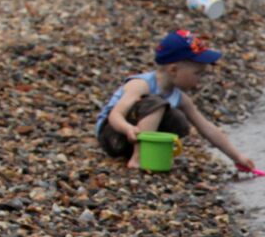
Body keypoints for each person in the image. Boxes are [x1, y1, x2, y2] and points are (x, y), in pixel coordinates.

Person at [94, 30, 255, 172]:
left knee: (179, 120)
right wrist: (128, 129)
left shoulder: (179, 97)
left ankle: (149, 153)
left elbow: (207, 128)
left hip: (137, 137)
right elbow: (115, 115)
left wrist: (237, 157)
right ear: (173, 70)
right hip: (114, 136)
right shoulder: (140, 85)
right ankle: (138, 158)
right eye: (197, 73)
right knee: (156, 104)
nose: (200, 80)